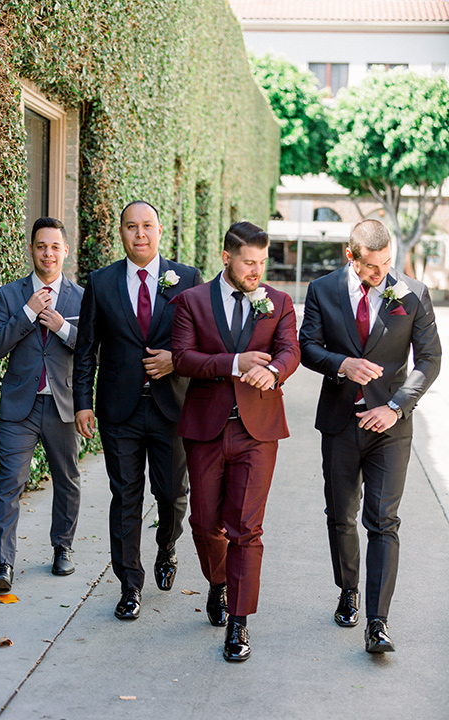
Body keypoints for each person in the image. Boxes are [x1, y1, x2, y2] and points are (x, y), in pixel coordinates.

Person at [299, 219, 441, 653]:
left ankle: (378, 622)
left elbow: (430, 359)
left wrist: (396, 406)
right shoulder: (322, 290)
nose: (381, 274)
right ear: (351, 256)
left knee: (383, 522)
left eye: (386, 265)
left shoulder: (413, 293)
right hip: (341, 424)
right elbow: (307, 346)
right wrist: (342, 364)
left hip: (390, 429)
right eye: (372, 267)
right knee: (340, 515)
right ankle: (348, 590)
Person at [171, 221, 300, 661]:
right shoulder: (190, 301)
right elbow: (184, 358)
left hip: (258, 431)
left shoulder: (278, 302)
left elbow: (290, 349)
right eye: (249, 262)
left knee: (247, 529)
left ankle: (239, 623)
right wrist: (235, 362)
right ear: (226, 257)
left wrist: (275, 370)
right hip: (205, 430)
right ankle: (219, 583)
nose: (257, 271)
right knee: (206, 524)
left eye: (263, 262)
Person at [73, 200, 202, 621]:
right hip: (119, 411)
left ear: (160, 230)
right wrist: (83, 404)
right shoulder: (102, 281)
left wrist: (175, 360)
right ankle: (130, 584)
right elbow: (86, 350)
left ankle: (167, 545)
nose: (140, 234)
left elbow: (202, 346)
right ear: (122, 232)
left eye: (147, 226)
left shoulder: (187, 280)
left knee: (171, 495)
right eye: (131, 227)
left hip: (171, 410)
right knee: (125, 495)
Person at [0, 217, 83, 591]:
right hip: (19, 409)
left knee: (67, 481)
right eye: (41, 246)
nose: (48, 253)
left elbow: (92, 349)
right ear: (31, 249)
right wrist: (27, 313)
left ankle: (63, 549)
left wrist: (62, 327)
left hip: (62, 405)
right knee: (9, 483)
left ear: (65, 251)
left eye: (55, 246)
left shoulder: (80, 297)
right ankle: (3, 565)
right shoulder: (10, 295)